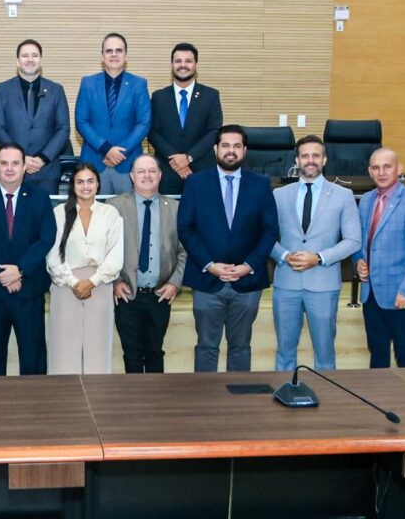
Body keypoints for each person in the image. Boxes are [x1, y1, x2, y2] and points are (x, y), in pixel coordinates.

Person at [178, 124, 278, 372]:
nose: (230, 151)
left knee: (241, 346)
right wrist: (210, 265)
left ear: (244, 150)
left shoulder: (261, 184)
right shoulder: (195, 183)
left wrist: (248, 266)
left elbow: (270, 231)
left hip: (247, 283)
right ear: (215, 149)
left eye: (236, 146)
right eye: (225, 145)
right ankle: (205, 404)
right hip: (207, 280)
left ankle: (239, 404)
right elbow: (186, 229)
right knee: (206, 346)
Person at [270, 135, 361, 371]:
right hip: (286, 284)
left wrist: (319, 257)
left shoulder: (343, 195)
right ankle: (284, 397)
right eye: (305, 156)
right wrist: (283, 255)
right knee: (284, 352)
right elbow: (265, 236)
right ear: (297, 160)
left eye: (316, 155)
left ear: (324, 159)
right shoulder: (279, 195)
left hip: (323, 285)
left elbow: (353, 240)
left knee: (325, 354)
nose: (310, 160)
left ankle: (327, 400)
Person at [0, 143, 56, 376]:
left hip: (28, 290)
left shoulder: (40, 198)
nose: (9, 169)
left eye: (15, 163)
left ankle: (34, 411)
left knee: (33, 357)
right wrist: (3, 274)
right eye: (4, 163)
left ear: (25, 166)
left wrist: (20, 270)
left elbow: (46, 238)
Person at [353, 148, 405, 368]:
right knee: (377, 351)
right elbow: (359, 242)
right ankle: (379, 398)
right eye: (376, 168)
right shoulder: (367, 200)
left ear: (399, 168)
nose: (382, 172)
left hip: (400, 294)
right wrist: (358, 261)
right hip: (371, 293)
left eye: (387, 166)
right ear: (370, 171)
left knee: (404, 352)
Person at [107, 154, 186, 373]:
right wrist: (114, 281)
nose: (147, 175)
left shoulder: (176, 208)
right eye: (141, 171)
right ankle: (132, 406)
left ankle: (155, 404)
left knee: (155, 353)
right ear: (132, 176)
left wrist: (174, 283)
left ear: (160, 175)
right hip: (126, 293)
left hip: (160, 294)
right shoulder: (114, 206)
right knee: (131, 353)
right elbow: (104, 250)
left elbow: (184, 251)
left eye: (152, 171)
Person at [46, 163, 123, 374]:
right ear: (73, 185)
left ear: (98, 184)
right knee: (63, 351)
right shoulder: (59, 213)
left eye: (90, 181)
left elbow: (116, 254)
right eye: (80, 182)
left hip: (100, 285)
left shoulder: (110, 213)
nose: (85, 186)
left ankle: (98, 402)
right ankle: (65, 403)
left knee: (97, 351)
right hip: (65, 285)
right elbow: (52, 255)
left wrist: (93, 281)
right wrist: (74, 282)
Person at [75, 33, 151, 194]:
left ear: (126, 55)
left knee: (129, 216)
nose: (114, 54)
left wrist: (119, 151)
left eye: (119, 50)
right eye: (109, 51)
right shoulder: (87, 83)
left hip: (127, 162)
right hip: (95, 162)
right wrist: (106, 149)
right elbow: (81, 121)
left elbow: (144, 123)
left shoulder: (139, 84)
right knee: (94, 216)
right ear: (102, 56)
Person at [0, 39, 71, 195]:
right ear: (17, 61)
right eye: (25, 56)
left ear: (41, 60)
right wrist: (20, 158)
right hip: (13, 170)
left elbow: (63, 128)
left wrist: (42, 158)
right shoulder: (2, 89)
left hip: (47, 171)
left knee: (46, 217)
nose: (30, 60)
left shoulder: (56, 90)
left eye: (35, 55)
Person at [149, 43, 223, 194]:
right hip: (167, 171)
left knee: (203, 216)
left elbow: (214, 131)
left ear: (196, 64)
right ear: (172, 64)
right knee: (167, 217)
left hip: (201, 169)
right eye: (178, 61)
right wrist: (176, 161)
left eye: (188, 61)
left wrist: (188, 157)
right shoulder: (159, 97)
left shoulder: (211, 95)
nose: (183, 65)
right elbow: (152, 132)